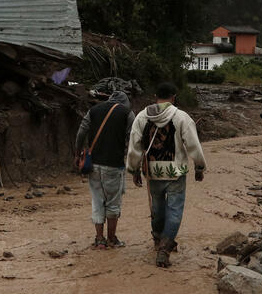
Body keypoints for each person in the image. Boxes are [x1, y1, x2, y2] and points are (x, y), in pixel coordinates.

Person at [126, 82, 207, 268]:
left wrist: (134, 169)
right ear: (173, 97)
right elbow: (193, 144)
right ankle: (165, 247)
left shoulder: (142, 117)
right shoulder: (181, 117)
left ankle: (157, 239)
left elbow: (134, 146)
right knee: (175, 210)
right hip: (175, 172)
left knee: (157, 207)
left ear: (155, 96)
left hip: (152, 172)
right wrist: (199, 167)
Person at [75, 91, 134, 249]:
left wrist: (77, 153)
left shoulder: (94, 110)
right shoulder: (127, 113)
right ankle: (112, 238)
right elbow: (133, 139)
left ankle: (99, 239)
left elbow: (81, 132)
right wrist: (133, 162)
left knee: (97, 201)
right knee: (113, 202)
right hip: (114, 165)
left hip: (93, 164)